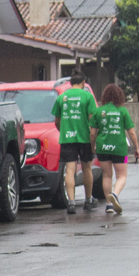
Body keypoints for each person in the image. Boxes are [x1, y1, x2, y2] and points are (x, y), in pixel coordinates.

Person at [52, 69, 99, 214]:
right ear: (83, 83)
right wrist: (93, 140)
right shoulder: (87, 96)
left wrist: (65, 131)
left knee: (70, 170)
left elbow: (57, 121)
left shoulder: (62, 97)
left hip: (67, 138)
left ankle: (71, 203)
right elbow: (93, 120)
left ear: (70, 83)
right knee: (86, 168)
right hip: (84, 138)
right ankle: (88, 200)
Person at [91, 84, 139, 214]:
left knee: (107, 176)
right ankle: (115, 194)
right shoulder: (122, 111)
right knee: (122, 175)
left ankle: (109, 205)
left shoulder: (98, 111)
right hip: (120, 148)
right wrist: (137, 148)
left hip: (102, 148)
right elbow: (131, 133)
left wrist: (92, 146)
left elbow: (92, 133)